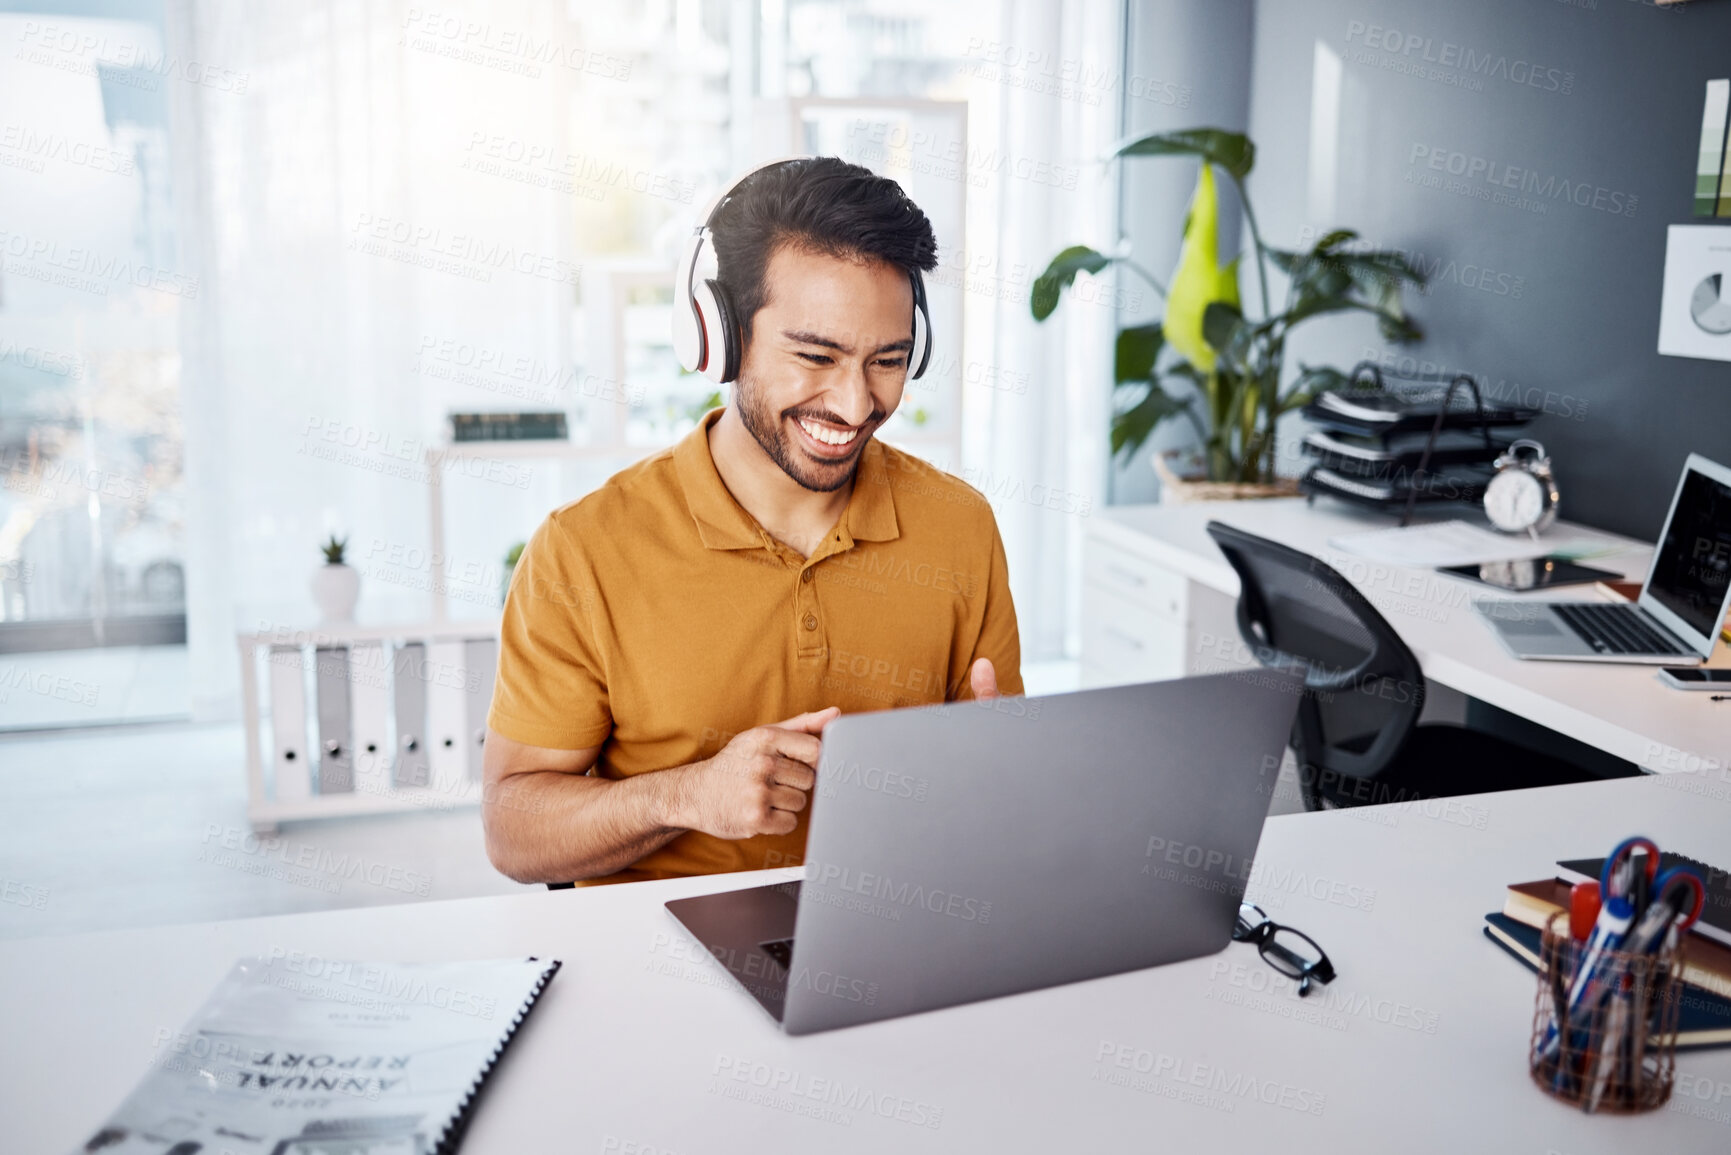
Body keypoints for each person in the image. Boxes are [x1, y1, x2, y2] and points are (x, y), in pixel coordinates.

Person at [481, 156, 1022, 885]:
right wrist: (684, 794)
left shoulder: (959, 526)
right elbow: (514, 831)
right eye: (815, 355)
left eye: (887, 360)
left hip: (890, 932)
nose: (856, 403)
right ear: (719, 334)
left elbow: (994, 788)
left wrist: (997, 774)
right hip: (661, 962)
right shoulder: (583, 550)